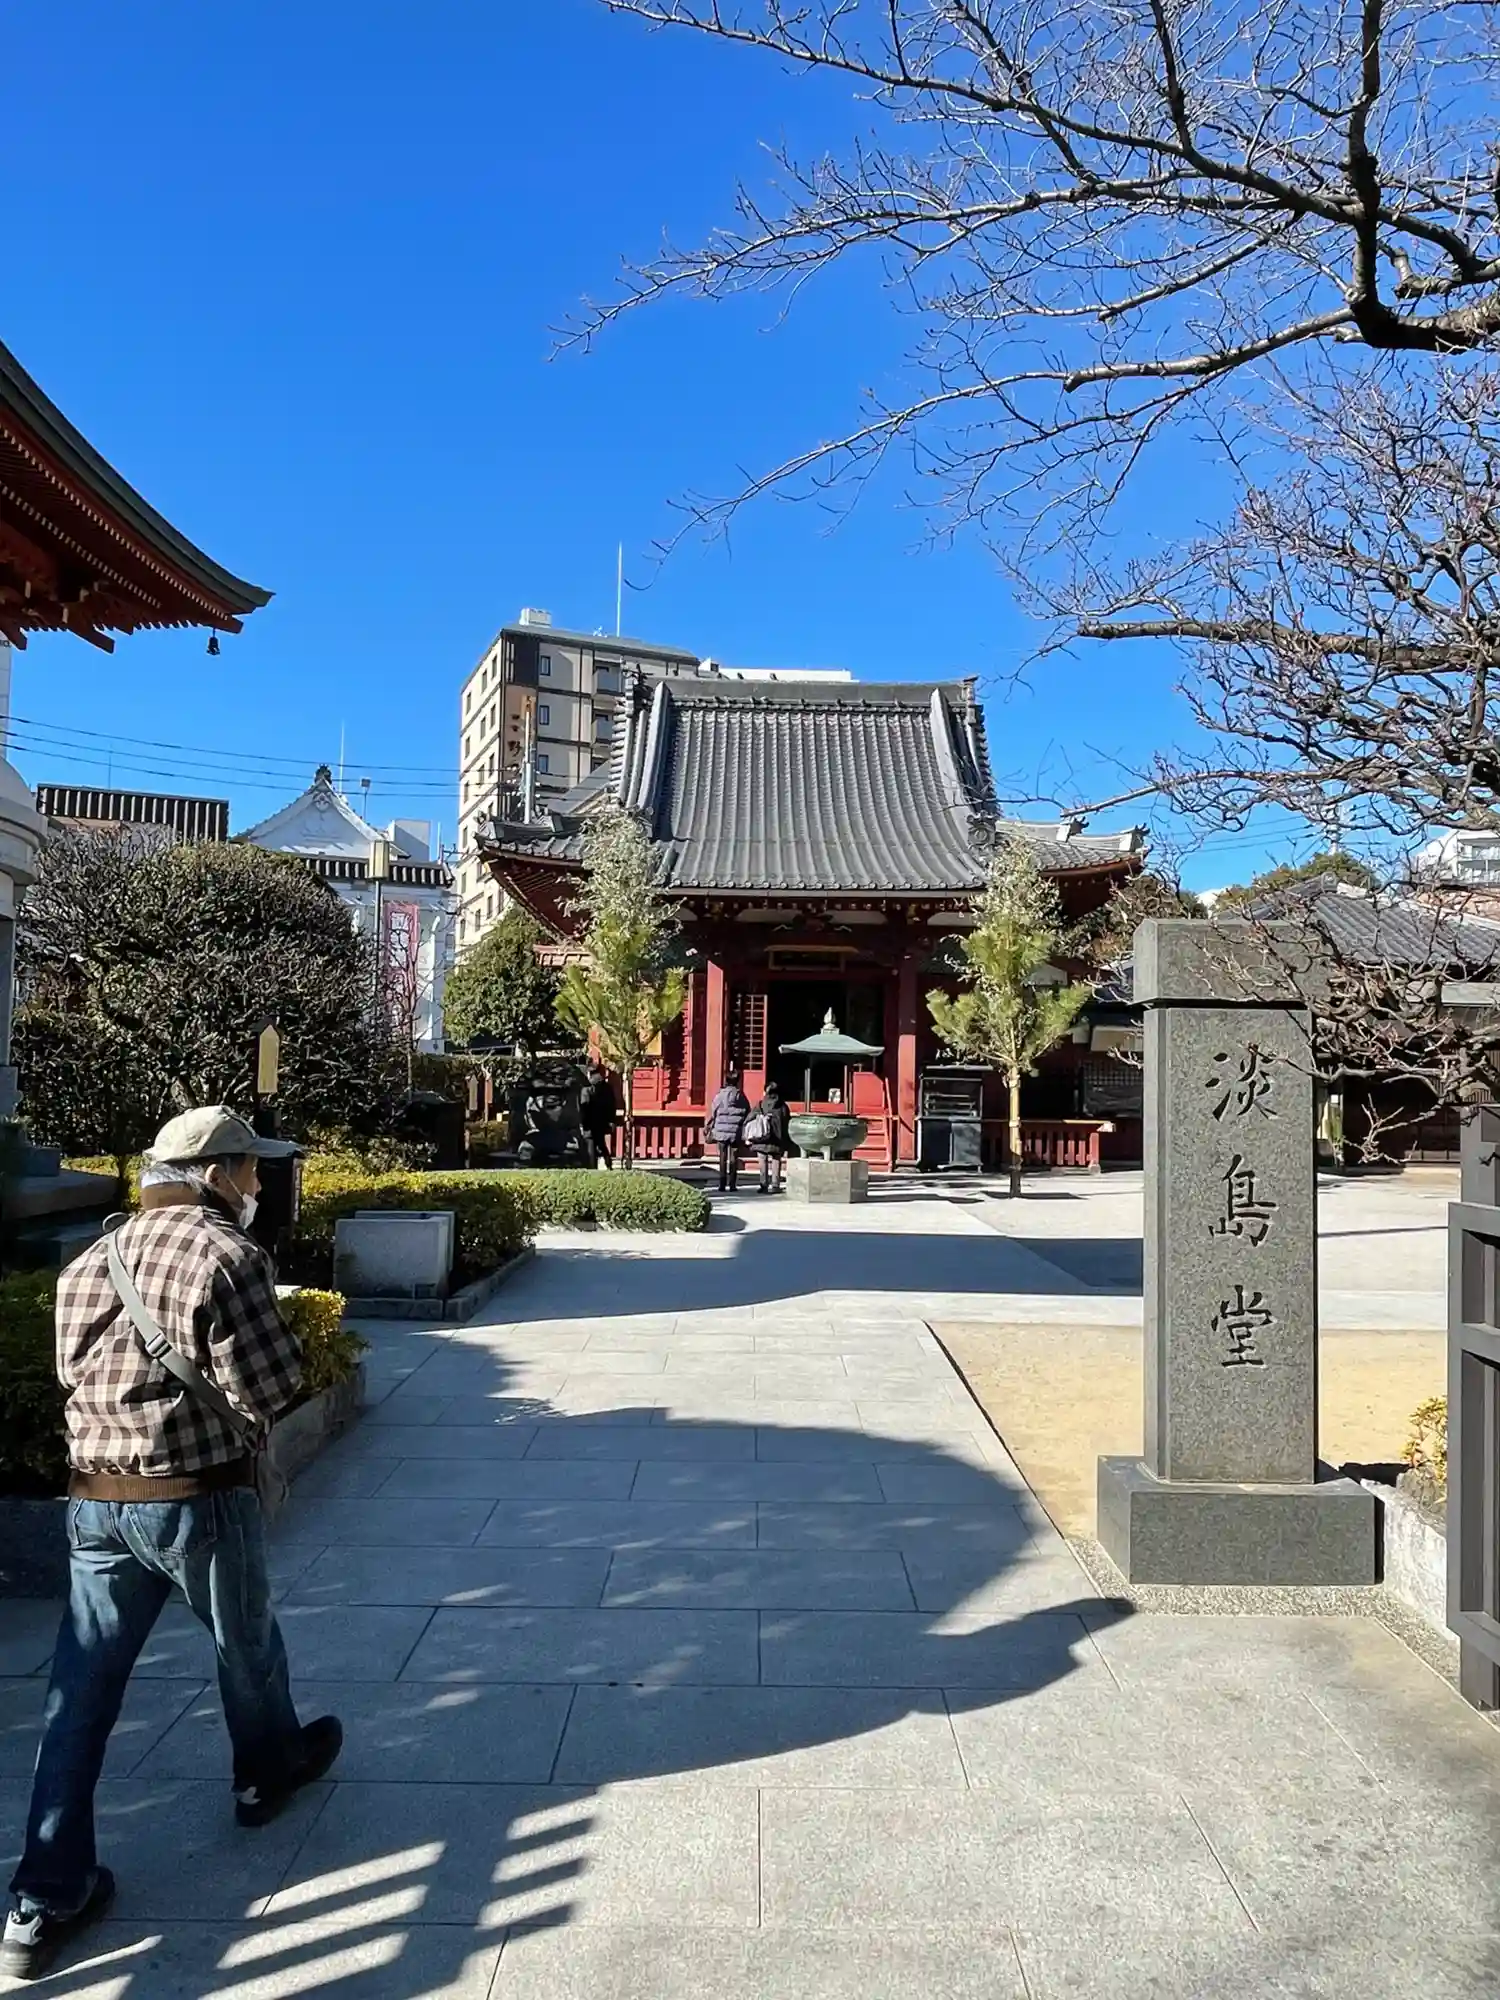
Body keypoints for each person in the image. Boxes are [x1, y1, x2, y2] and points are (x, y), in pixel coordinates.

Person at [1, 1107, 343, 1984]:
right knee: (245, 1646)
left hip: (94, 1502)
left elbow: (70, 1375)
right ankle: (265, 1773)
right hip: (197, 1499)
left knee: (77, 1696)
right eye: (252, 1169)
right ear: (217, 1174)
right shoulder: (228, 1255)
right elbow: (272, 1384)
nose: (259, 1184)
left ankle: (44, 1895)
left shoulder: (91, 1258)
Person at [704, 1070, 751, 1192]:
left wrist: (708, 1125)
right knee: (734, 1157)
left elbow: (713, 1112)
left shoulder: (720, 1096)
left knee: (722, 1158)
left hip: (721, 1130)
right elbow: (748, 1111)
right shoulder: (741, 1096)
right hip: (736, 1131)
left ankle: (722, 1183)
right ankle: (733, 1184)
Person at [746, 1079, 792, 1194]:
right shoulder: (783, 1106)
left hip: (761, 1138)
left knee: (762, 1160)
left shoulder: (760, 1104)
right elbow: (787, 1122)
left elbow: (750, 1118)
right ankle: (775, 1185)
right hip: (777, 1138)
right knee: (776, 1160)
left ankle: (763, 1184)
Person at [579, 1060, 619, 1170]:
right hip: (602, 1121)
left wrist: (582, 1122)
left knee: (591, 1146)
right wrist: (611, 1120)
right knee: (601, 1143)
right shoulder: (607, 1088)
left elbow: (584, 1107)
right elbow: (612, 1105)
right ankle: (608, 1164)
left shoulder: (586, 1088)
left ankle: (592, 1168)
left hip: (589, 1122)